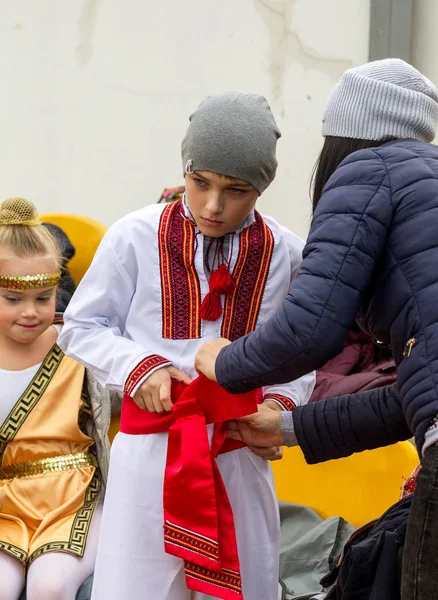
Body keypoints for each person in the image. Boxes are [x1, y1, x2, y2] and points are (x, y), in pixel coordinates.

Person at [194, 59, 438, 600]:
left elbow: (310, 329)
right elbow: (410, 401)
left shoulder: (369, 170)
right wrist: (286, 428)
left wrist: (223, 362)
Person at [57, 91, 316, 600]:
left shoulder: (288, 254)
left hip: (237, 454)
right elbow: (80, 326)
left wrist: (280, 409)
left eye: (236, 190)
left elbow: (301, 354)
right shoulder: (133, 236)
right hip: (148, 458)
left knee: (244, 589)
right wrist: (140, 365)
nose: (213, 205)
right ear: (186, 169)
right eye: (200, 183)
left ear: (261, 187)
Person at [0, 198, 114, 600]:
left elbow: (129, 379)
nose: (30, 312)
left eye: (43, 297)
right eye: (12, 299)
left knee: (49, 588)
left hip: (73, 499)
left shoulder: (80, 344)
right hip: (4, 507)